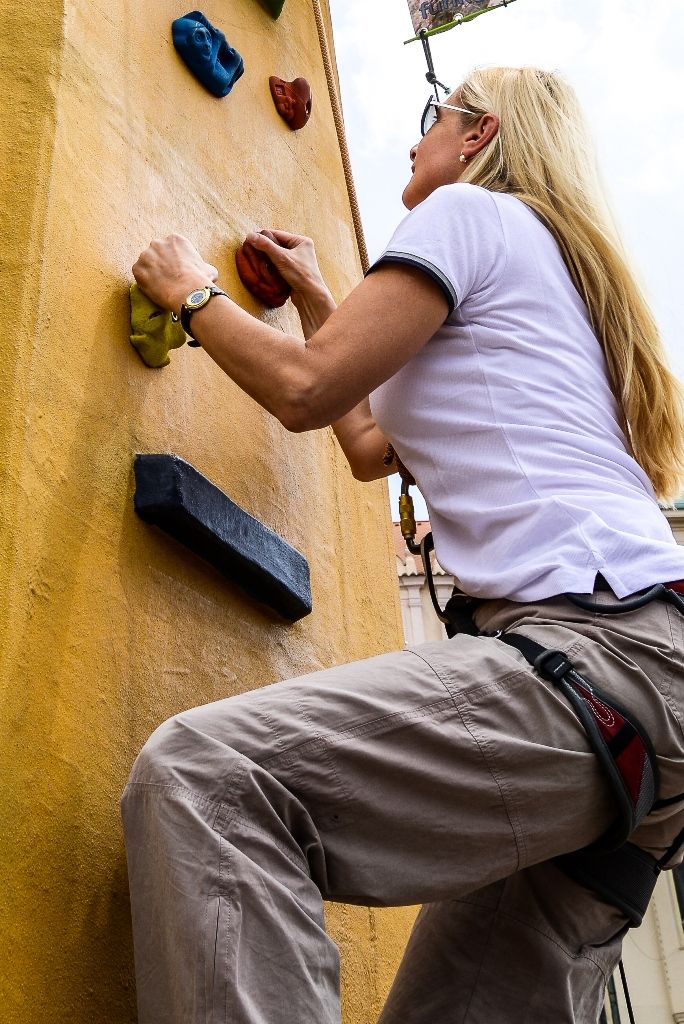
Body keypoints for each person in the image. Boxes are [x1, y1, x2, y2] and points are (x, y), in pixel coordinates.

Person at [123, 66, 684, 1023]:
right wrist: (315, 297)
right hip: (646, 704)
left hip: (594, 654)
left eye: (437, 117)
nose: (415, 140)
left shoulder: (468, 216)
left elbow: (306, 392)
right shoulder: (555, 274)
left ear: (477, 135)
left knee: (214, 778)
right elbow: (368, 443)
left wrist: (192, 293)